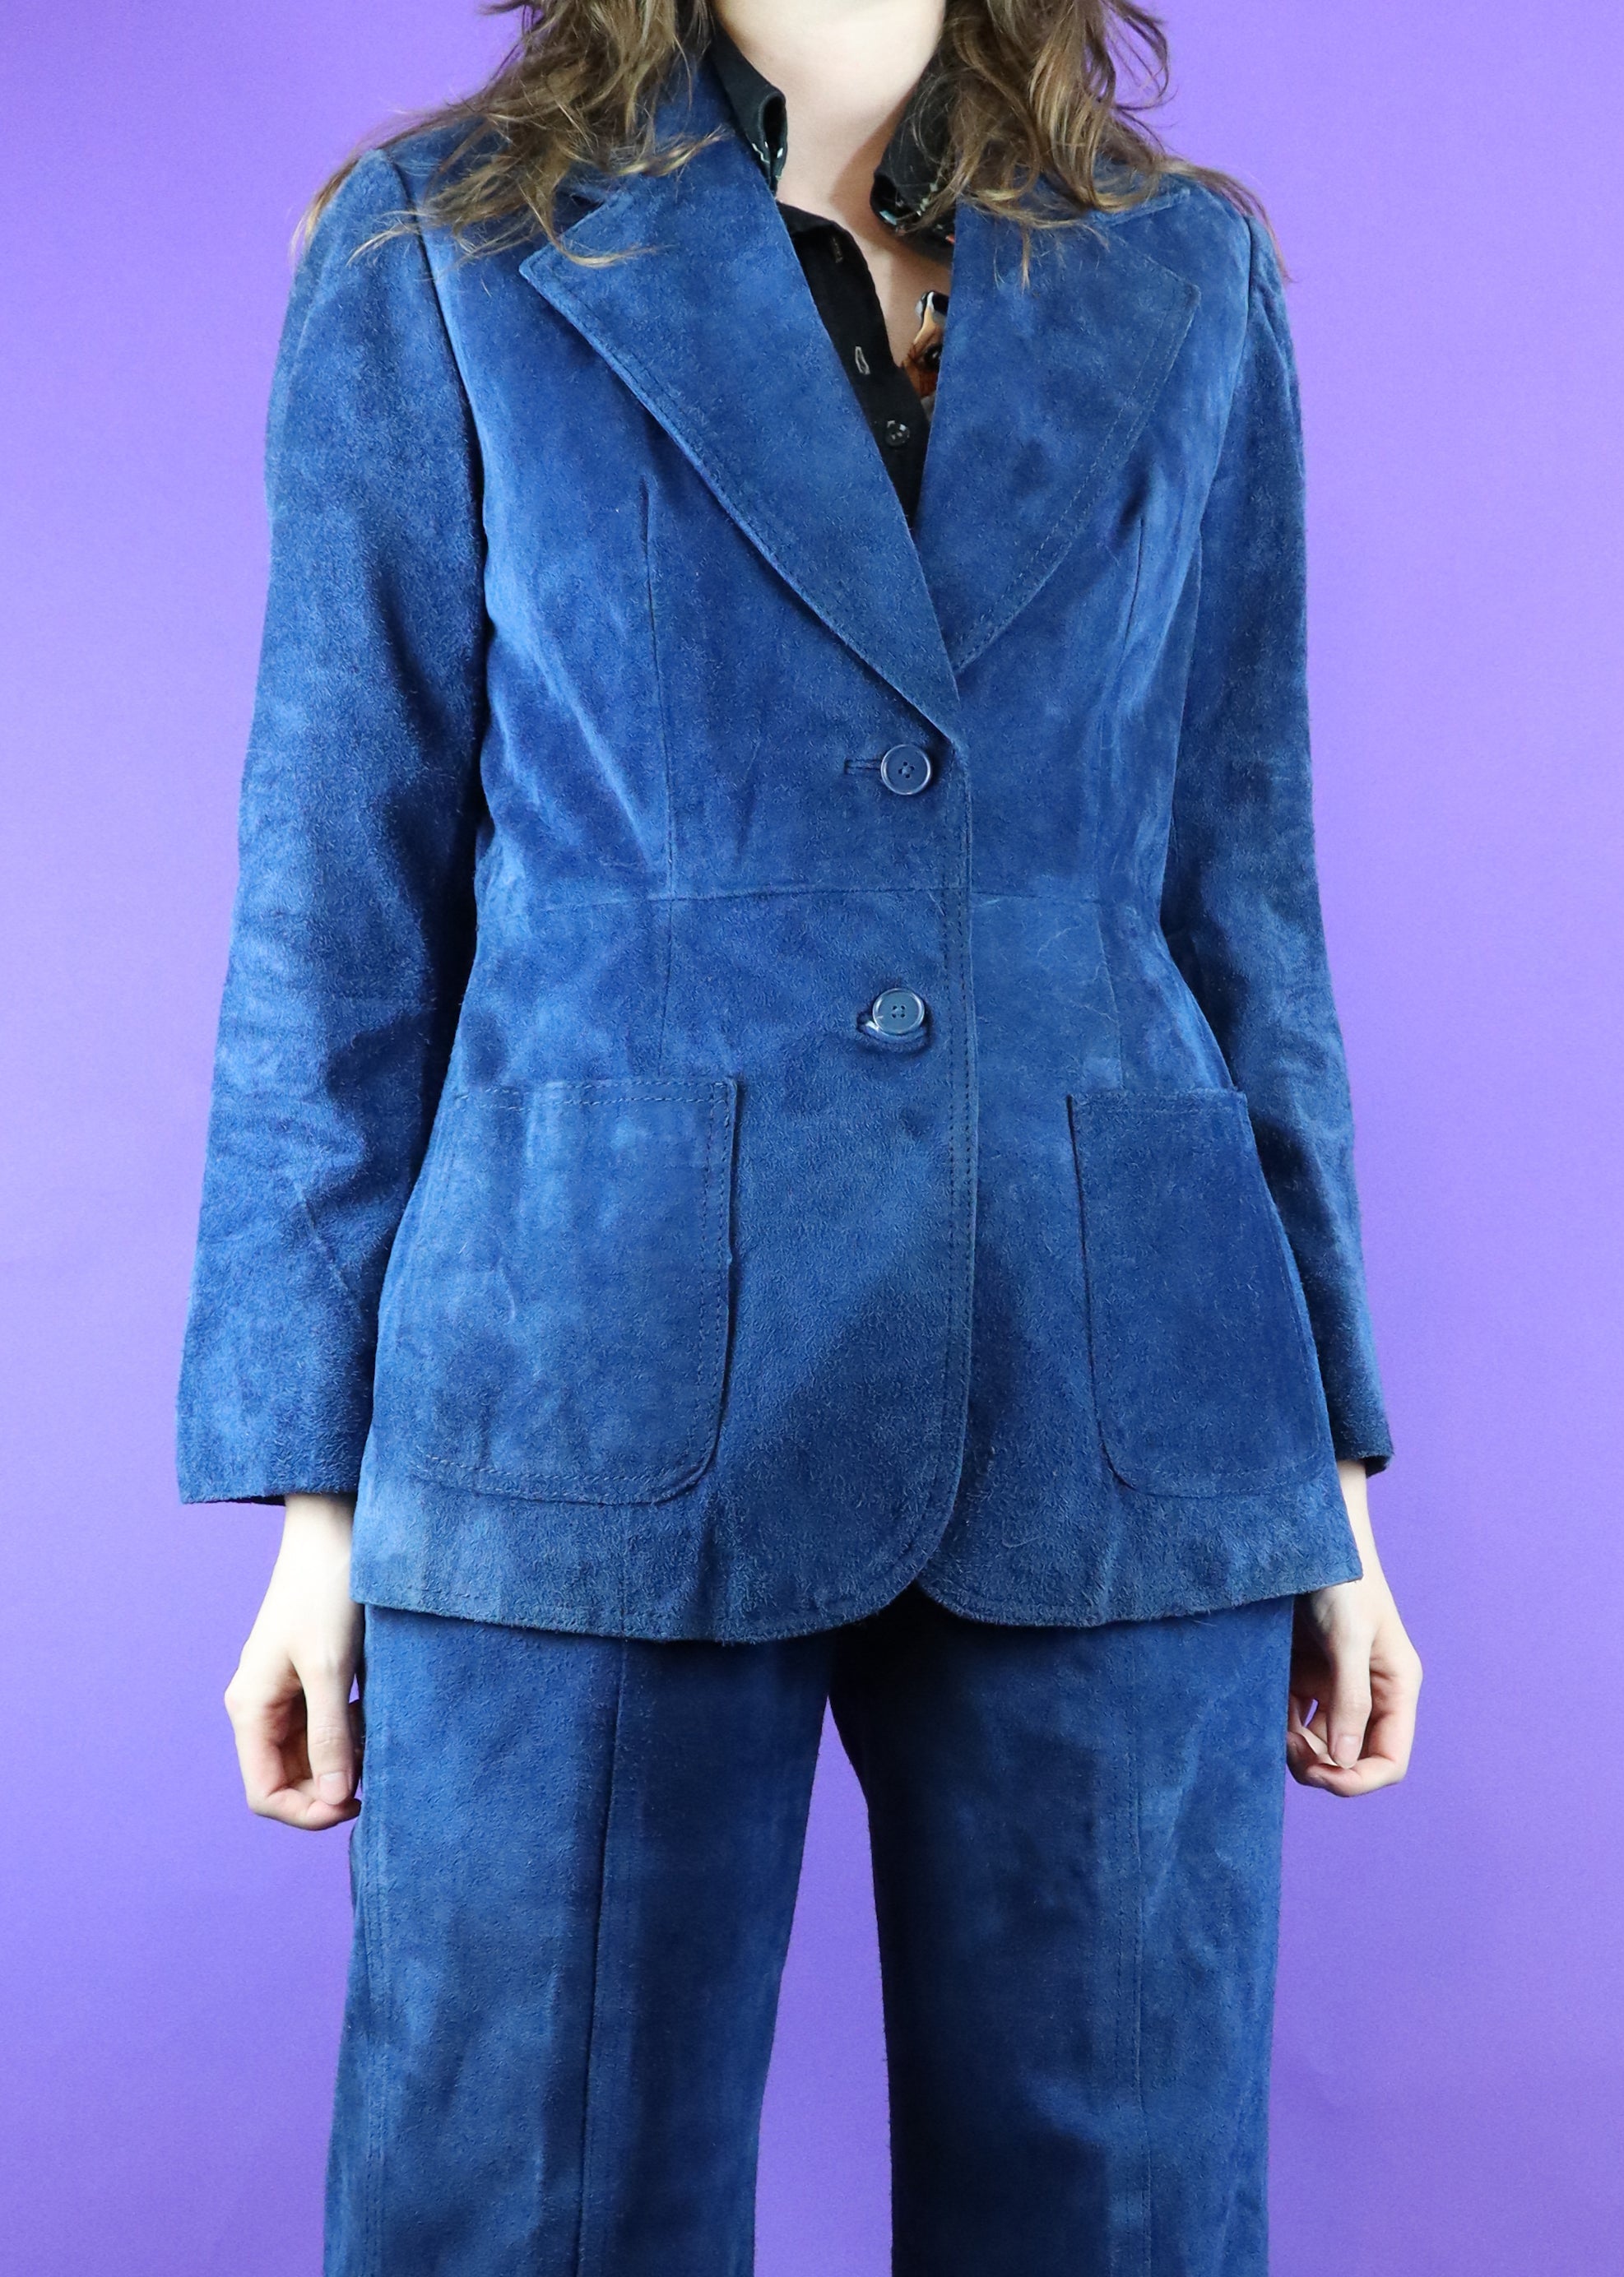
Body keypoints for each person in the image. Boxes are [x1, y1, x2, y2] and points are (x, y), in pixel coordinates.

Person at [179, 1, 1422, 2269]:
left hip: (1126, 1378)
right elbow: (335, 895)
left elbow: (1241, 886)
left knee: (1126, 2221)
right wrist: (314, 1505)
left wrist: (1325, 1468)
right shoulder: (446, 247)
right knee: (525, 2211)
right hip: (584, 1379)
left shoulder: (1182, 272)